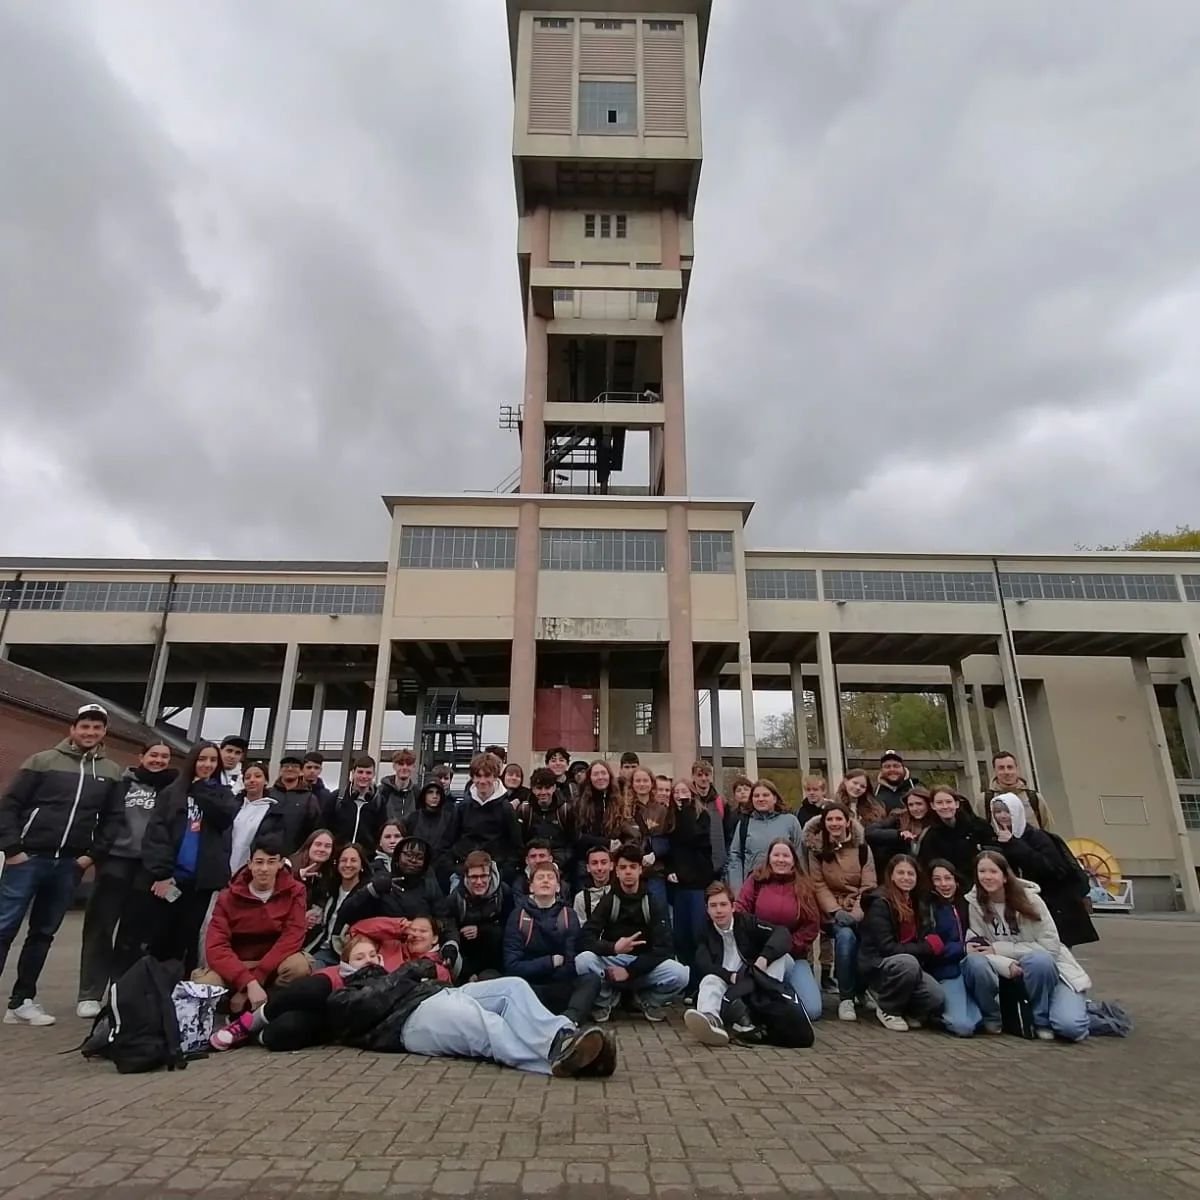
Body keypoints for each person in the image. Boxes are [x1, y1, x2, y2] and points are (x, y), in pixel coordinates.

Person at [326, 938, 614, 1077]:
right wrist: (409, 971)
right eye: (360, 956)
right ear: (346, 966)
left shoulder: (394, 976)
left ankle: (563, 1037)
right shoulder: (343, 996)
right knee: (488, 1025)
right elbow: (371, 1006)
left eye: (373, 954)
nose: (370, 959)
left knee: (512, 987)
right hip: (409, 1023)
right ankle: (562, 1064)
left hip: (441, 995)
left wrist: (406, 973)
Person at [0, 703, 123, 1027]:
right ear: (72, 729)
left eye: (97, 727)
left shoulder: (110, 770)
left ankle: (21, 1001)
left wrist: (89, 857)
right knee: (4, 928)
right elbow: (10, 805)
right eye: (85, 726)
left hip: (69, 864)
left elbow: (112, 820)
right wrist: (12, 849)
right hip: (28, 859)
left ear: (103, 732)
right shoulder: (42, 761)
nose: (90, 732)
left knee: (43, 933)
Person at [76, 739, 178, 1019]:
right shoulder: (121, 783)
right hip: (116, 859)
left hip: (147, 865)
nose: (158, 760)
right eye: (153, 755)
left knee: (133, 932)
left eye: (164, 757)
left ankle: (119, 990)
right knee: (100, 927)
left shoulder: (172, 790)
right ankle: (89, 993)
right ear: (141, 756)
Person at [127, 740, 237, 976]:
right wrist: (162, 873)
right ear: (192, 762)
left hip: (201, 883)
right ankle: (153, 989)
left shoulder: (222, 795)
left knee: (188, 939)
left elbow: (224, 818)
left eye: (212, 760)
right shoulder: (172, 793)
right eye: (202, 759)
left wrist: (200, 790)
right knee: (160, 938)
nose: (207, 764)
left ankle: (181, 991)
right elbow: (157, 835)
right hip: (171, 881)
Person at [965, 851, 1090, 1042]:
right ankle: (1045, 1016)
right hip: (1012, 975)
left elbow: (1050, 948)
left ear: (1005, 876)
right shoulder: (975, 904)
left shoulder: (1031, 901)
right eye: (982, 871)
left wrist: (1000, 949)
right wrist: (1005, 965)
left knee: (1070, 1028)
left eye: (993, 871)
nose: (987, 877)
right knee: (974, 963)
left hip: (1053, 973)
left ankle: (1043, 1020)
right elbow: (979, 948)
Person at [193, 837, 308, 1013]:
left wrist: (258, 977)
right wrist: (248, 983)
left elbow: (292, 937)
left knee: (298, 967)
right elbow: (216, 947)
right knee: (204, 983)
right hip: (237, 965)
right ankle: (227, 1014)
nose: (264, 869)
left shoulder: (295, 891)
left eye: (271, 862)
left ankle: (270, 1009)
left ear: (280, 864)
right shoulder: (227, 897)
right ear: (250, 864)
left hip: (272, 965)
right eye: (259, 862)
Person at [576, 844, 689, 1022]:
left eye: (632, 867)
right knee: (582, 961)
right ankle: (606, 1000)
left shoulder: (653, 902)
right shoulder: (609, 901)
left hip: (643, 964)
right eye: (623, 867)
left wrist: (631, 971)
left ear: (640, 870)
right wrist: (613, 947)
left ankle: (647, 1001)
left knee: (681, 974)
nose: (628, 872)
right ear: (617, 871)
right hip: (613, 962)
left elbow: (665, 948)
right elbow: (585, 939)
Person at [685, 881, 795, 1046]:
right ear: (707, 910)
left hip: (754, 980)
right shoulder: (703, 931)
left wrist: (764, 958)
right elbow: (704, 964)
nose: (719, 910)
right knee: (709, 980)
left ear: (733, 907)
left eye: (723, 904)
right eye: (713, 905)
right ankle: (711, 1021)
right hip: (728, 980)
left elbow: (782, 933)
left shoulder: (747, 922)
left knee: (782, 958)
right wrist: (730, 976)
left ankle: (768, 1010)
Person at [504, 861, 604, 1032]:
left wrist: (558, 969)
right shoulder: (518, 916)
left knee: (591, 979)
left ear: (558, 887)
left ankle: (569, 1023)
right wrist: (549, 962)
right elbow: (512, 965)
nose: (545, 881)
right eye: (540, 877)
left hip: (559, 985)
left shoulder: (568, 915)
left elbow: (571, 961)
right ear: (531, 887)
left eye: (550, 878)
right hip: (529, 988)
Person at [987, 794, 1097, 948]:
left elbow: (1052, 868)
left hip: (1052, 905)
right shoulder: (996, 838)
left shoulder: (1037, 837)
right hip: (1021, 906)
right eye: (997, 812)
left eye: (1007, 811)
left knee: (1059, 954)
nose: (1002, 816)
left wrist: (1014, 844)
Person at [735, 840, 823, 1020]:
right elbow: (740, 912)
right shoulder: (756, 881)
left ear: (793, 860)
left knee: (812, 1011)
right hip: (758, 955)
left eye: (785, 855)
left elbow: (811, 926)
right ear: (769, 858)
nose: (780, 860)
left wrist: (787, 947)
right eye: (776, 855)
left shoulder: (805, 886)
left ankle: (786, 991)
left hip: (792, 956)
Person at [857, 854, 945, 1032]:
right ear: (891, 875)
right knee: (908, 963)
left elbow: (926, 935)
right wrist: (927, 948)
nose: (906, 877)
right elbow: (887, 948)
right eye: (901, 873)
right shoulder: (880, 903)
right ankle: (888, 1009)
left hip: (909, 964)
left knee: (936, 996)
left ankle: (909, 1011)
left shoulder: (917, 901)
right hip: (879, 964)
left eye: (910, 874)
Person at [806, 803, 876, 1021]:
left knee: (868, 939)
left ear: (848, 821)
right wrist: (835, 911)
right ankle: (846, 998)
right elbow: (817, 883)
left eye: (839, 819)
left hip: (859, 906)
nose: (834, 824)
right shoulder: (816, 849)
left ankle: (861, 989)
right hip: (830, 910)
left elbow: (869, 883)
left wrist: (856, 913)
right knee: (845, 938)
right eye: (830, 820)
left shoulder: (863, 848)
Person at [927, 860, 998, 1037]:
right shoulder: (927, 908)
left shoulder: (968, 904)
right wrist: (963, 948)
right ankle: (947, 1013)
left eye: (948, 878)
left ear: (956, 880)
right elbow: (932, 949)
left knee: (979, 965)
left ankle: (991, 1015)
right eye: (937, 879)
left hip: (971, 967)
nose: (944, 884)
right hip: (947, 971)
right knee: (963, 1027)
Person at [283, 842, 370, 980]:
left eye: (353, 860)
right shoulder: (330, 890)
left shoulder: (367, 895)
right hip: (318, 947)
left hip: (345, 955)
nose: (348, 865)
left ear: (362, 866)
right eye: (343, 860)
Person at [663, 778, 717, 970]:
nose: (680, 796)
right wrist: (669, 871)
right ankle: (688, 979)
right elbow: (668, 849)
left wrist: (685, 808)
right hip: (678, 884)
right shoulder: (669, 817)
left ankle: (701, 977)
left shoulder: (701, 815)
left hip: (696, 882)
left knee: (698, 933)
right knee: (681, 935)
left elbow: (692, 837)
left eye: (684, 791)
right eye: (676, 792)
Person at [452, 753, 523, 881]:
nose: (482, 781)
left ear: (495, 777)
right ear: (472, 778)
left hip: (496, 874)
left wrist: (504, 872)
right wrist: (455, 867)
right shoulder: (462, 807)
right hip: (464, 872)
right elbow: (449, 840)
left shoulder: (506, 809)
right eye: (478, 776)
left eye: (487, 776)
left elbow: (516, 845)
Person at [727, 780, 804, 892]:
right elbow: (735, 857)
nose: (760, 799)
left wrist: (800, 887)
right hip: (753, 887)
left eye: (765, 795)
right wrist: (737, 890)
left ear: (775, 798)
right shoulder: (744, 823)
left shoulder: (790, 821)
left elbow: (799, 855)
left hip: (786, 887)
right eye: (756, 796)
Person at [448, 850, 512, 980]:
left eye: (483, 876)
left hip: (494, 955)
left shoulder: (503, 892)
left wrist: (481, 930)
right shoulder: (455, 898)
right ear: (466, 876)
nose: (479, 882)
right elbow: (450, 930)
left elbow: (509, 927)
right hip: (467, 954)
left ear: (490, 875)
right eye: (474, 877)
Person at [919, 787, 992, 879]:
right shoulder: (930, 836)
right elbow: (927, 865)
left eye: (949, 802)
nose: (945, 806)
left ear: (956, 804)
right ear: (933, 806)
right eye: (939, 803)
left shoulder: (979, 826)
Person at [401, 781, 459, 890]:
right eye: (430, 792)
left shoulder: (450, 818)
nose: (434, 796)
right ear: (424, 795)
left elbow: (452, 844)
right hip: (415, 869)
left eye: (438, 793)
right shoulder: (412, 818)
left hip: (442, 872)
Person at [866, 787, 934, 875]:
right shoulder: (899, 817)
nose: (915, 808)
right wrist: (899, 835)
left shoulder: (935, 821)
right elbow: (870, 832)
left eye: (919, 804)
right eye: (911, 805)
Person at [322, 756, 385, 851]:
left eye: (368, 773)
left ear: (373, 775)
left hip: (366, 858)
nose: (364, 776)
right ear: (353, 773)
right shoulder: (337, 798)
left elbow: (380, 833)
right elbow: (323, 828)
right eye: (360, 772)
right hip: (338, 855)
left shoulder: (379, 801)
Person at [517, 768, 574, 874]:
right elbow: (520, 842)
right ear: (532, 789)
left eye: (547, 788)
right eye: (539, 788)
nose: (543, 792)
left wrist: (556, 864)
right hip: (531, 863)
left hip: (560, 866)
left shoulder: (565, 810)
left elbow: (572, 842)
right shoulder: (524, 810)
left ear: (554, 788)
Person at [572, 760, 622, 873]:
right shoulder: (578, 803)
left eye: (603, 773)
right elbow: (576, 835)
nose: (600, 777)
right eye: (596, 774)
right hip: (585, 861)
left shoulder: (619, 802)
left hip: (613, 859)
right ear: (589, 778)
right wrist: (606, 843)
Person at [632, 768, 671, 908]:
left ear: (652, 783)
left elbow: (668, 838)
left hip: (656, 870)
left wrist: (655, 853)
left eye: (645, 780)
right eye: (637, 780)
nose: (641, 784)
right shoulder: (625, 809)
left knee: (658, 913)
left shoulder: (662, 810)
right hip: (632, 870)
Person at [228, 763, 276, 875]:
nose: (252, 780)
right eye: (247, 777)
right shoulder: (233, 807)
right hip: (224, 870)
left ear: (266, 781)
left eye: (258, 776)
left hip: (251, 872)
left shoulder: (273, 811)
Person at [984, 751, 1051, 830]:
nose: (1006, 772)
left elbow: (1047, 830)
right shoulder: (985, 800)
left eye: (1010, 767)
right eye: (1001, 768)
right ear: (995, 771)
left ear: (1016, 769)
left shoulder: (1035, 798)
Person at [266, 756, 322, 849]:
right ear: (280, 770)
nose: (290, 769)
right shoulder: (267, 793)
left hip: (294, 852)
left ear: (301, 772)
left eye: (294, 766)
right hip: (265, 852)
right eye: (286, 766)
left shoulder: (310, 798)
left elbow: (314, 828)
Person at [691, 760, 731, 864]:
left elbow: (728, 834)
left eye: (707, 775)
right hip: (693, 863)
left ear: (711, 776)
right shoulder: (688, 801)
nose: (703, 778)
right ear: (693, 777)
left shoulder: (722, 802)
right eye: (699, 775)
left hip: (718, 863)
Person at [573, 846, 614, 923]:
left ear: (611, 865)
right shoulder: (581, 898)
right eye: (594, 863)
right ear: (588, 868)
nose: (599, 868)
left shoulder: (620, 893)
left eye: (603, 862)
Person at [380, 749, 420, 824]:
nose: (404, 767)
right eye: (401, 764)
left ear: (414, 767)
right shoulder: (382, 791)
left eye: (408, 764)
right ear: (394, 766)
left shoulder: (417, 793)